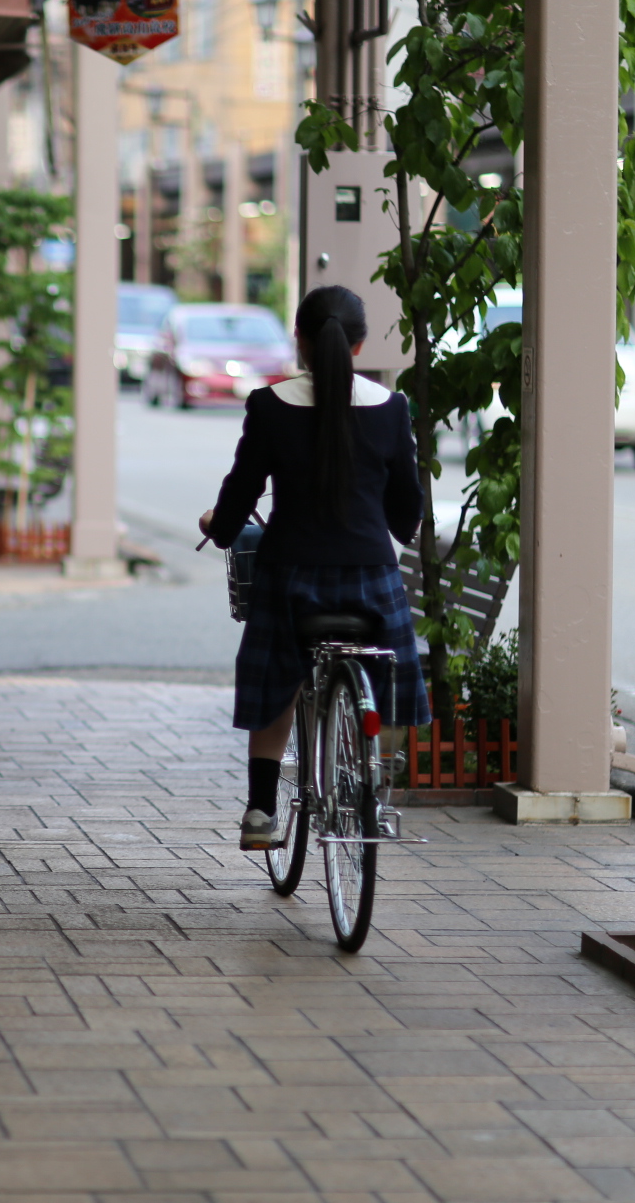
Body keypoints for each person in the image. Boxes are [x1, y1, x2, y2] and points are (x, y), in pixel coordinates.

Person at [198, 285, 429, 850]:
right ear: (360, 345)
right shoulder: (391, 409)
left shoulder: (271, 406)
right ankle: (372, 777)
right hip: (372, 583)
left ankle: (260, 810)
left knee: (280, 675)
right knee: (383, 672)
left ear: (299, 340)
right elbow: (407, 516)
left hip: (290, 581)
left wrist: (217, 527)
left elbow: (240, 493)